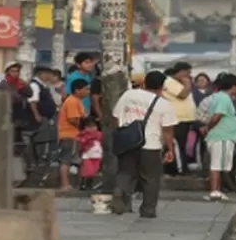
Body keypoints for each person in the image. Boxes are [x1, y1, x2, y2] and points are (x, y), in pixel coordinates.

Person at [112, 71, 177, 217]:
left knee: (125, 172)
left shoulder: (128, 95)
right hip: (151, 145)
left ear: (144, 83)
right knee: (151, 178)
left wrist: (123, 133)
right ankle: (148, 209)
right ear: (162, 86)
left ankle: (120, 191)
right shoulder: (164, 104)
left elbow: (115, 117)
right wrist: (170, 149)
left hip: (128, 143)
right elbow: (167, 130)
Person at [205, 75, 236, 202]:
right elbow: (217, 116)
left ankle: (217, 190)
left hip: (224, 136)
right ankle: (215, 191)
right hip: (221, 136)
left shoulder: (223, 97)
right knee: (217, 164)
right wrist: (208, 127)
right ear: (233, 86)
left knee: (221, 164)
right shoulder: (223, 98)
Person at [162, 62, 196, 175]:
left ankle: (177, 167)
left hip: (184, 119)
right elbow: (182, 95)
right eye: (188, 72)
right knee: (176, 145)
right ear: (181, 72)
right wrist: (187, 85)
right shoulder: (170, 82)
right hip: (177, 119)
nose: (189, 75)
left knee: (181, 145)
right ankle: (179, 169)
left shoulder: (178, 83)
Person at [57, 79, 90, 191]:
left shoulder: (77, 101)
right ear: (77, 90)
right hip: (69, 135)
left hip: (75, 135)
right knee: (66, 160)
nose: (88, 92)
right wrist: (84, 123)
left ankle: (77, 184)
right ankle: (65, 184)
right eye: (85, 89)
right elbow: (72, 119)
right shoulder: (72, 101)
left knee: (76, 160)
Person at [78, 117, 103, 190]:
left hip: (97, 155)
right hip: (87, 155)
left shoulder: (100, 135)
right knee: (87, 170)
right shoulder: (83, 135)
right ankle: (83, 183)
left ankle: (89, 184)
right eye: (90, 127)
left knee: (94, 171)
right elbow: (82, 142)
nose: (92, 128)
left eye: (94, 126)